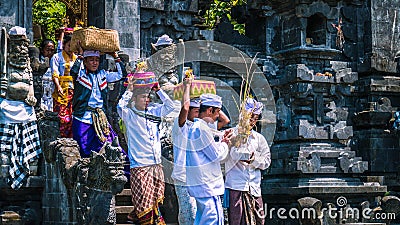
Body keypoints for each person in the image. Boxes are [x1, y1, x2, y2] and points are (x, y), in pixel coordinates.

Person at [117, 73, 175, 224]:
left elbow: (170, 106)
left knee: (155, 201)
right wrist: (129, 89)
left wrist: (158, 90)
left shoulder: (154, 111)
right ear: (134, 99)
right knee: (144, 203)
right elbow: (120, 106)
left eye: (148, 97)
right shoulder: (129, 115)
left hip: (155, 164)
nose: (147, 100)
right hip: (140, 165)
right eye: (143, 97)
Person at [185, 93, 233, 225]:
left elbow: (209, 150)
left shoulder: (197, 127)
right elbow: (217, 155)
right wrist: (225, 144)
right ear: (209, 110)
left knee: (205, 219)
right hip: (206, 183)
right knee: (212, 219)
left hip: (204, 183)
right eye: (217, 112)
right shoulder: (201, 129)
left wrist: (222, 141)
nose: (218, 116)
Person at [70, 47, 124, 157]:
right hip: (83, 116)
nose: (95, 63)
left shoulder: (103, 74)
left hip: (100, 117)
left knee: (107, 145)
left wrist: (115, 57)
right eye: (91, 60)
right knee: (83, 147)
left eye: (97, 60)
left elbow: (121, 75)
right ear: (85, 61)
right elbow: (73, 71)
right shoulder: (81, 75)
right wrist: (80, 56)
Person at [224, 98, 271, 225]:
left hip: (254, 187)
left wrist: (254, 159)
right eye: (250, 117)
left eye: (255, 118)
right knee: (236, 220)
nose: (252, 121)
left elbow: (267, 161)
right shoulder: (230, 134)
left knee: (258, 220)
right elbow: (229, 155)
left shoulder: (258, 138)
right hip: (236, 186)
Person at [171, 77, 199, 225]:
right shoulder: (180, 126)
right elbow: (186, 108)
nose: (198, 114)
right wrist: (187, 86)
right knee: (188, 214)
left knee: (196, 215)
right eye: (196, 111)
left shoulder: (199, 128)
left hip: (197, 176)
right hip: (183, 176)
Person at [50, 34, 77, 137]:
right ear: (64, 45)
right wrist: (58, 86)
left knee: (72, 115)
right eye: (69, 45)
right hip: (62, 88)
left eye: (72, 46)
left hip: (74, 89)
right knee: (62, 115)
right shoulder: (57, 57)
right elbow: (55, 73)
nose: (70, 49)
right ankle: (61, 136)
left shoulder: (77, 58)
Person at [39, 39, 56, 111]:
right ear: (42, 50)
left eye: (52, 50)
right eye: (47, 50)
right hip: (41, 92)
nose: (50, 52)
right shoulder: (38, 61)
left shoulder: (55, 61)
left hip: (51, 93)